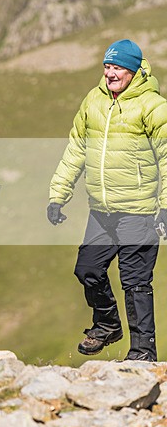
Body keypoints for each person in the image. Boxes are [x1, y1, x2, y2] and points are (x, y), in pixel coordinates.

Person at [48, 39, 167, 361]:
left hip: (139, 211)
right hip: (102, 211)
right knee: (87, 269)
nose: (110, 73)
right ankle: (107, 325)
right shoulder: (94, 100)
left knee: (136, 283)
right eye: (107, 66)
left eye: (118, 67)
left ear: (134, 71)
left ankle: (142, 353)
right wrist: (58, 196)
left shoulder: (153, 106)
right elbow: (76, 149)